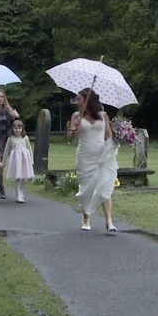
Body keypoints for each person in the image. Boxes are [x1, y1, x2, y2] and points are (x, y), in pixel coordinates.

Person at [67, 89, 118, 233]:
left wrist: (110, 149)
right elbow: (71, 137)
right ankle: (86, 218)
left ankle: (109, 221)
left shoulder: (103, 115)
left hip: (101, 155)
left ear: (87, 100)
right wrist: (74, 126)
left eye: (79, 99)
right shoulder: (76, 116)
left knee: (104, 184)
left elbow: (108, 134)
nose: (77, 102)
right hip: (85, 155)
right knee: (87, 186)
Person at [2, 119, 34, 203]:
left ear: (22, 129)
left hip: (25, 160)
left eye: (19, 128)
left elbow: (29, 148)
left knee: (25, 179)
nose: (17, 130)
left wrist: (31, 159)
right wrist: (3, 162)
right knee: (18, 178)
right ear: (12, 129)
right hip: (16, 161)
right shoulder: (10, 139)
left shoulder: (25, 138)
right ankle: (18, 195)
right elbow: (6, 150)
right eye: (15, 128)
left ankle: (21, 190)